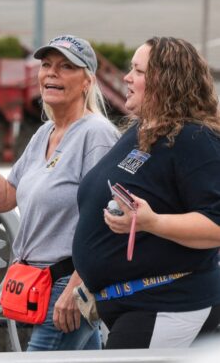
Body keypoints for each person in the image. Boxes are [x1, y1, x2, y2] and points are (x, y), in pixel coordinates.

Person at [0, 35, 118, 351]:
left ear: (87, 81)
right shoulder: (45, 132)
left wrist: (76, 289)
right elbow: (4, 197)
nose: (52, 73)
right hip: (38, 287)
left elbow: (107, 221)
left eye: (66, 67)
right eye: (46, 65)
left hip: (67, 288)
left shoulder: (96, 135)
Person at [73, 37, 220, 348]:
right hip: (130, 305)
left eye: (137, 71)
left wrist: (151, 222)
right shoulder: (143, 132)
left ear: (166, 81)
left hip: (166, 305)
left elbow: (216, 226)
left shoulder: (194, 139)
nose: (126, 78)